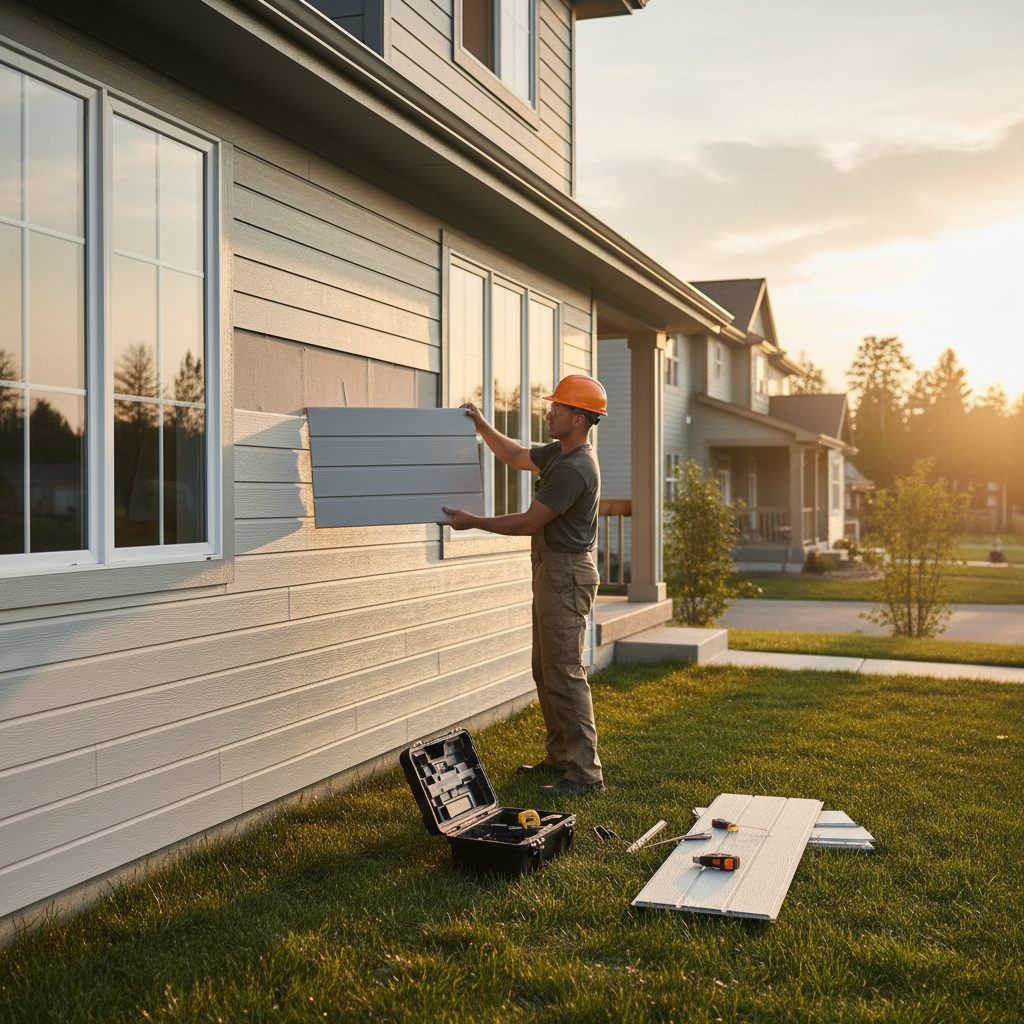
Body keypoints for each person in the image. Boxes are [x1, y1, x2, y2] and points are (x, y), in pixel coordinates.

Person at [442, 375, 607, 796]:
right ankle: (560, 757)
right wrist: (482, 425)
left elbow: (529, 522)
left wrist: (473, 522)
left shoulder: (574, 467)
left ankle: (585, 775)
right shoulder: (559, 453)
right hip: (553, 570)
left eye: (558, 408)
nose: (549, 413)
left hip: (566, 573)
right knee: (546, 670)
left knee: (565, 673)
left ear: (579, 418)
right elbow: (515, 456)